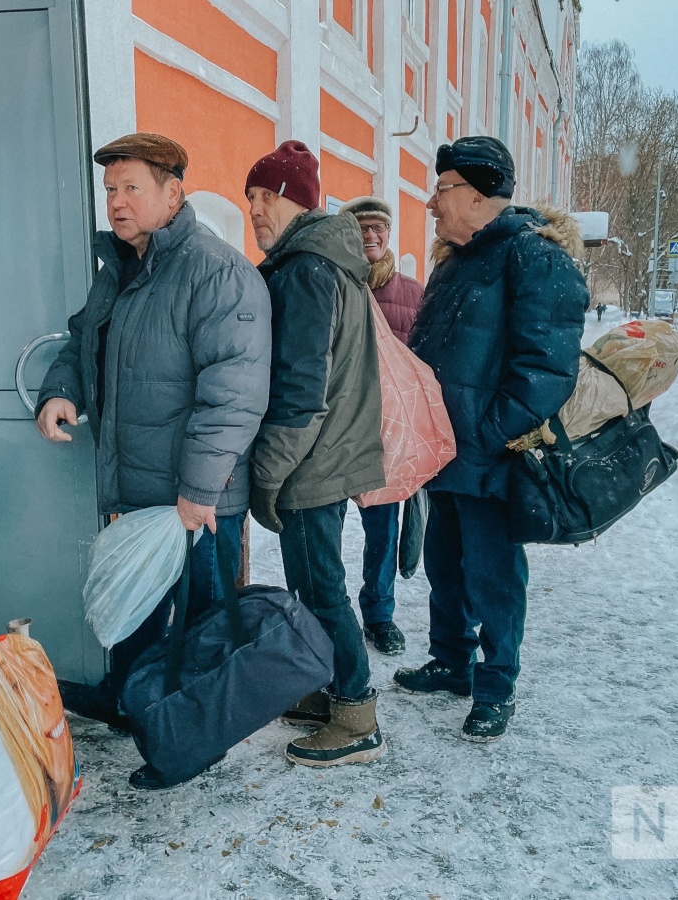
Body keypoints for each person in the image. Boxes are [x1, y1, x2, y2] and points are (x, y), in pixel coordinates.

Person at [35, 132, 271, 789]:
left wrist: (200, 489)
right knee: (134, 610)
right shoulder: (123, 269)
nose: (115, 201)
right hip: (139, 491)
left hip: (198, 501)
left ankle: (192, 743)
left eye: (131, 188)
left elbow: (235, 392)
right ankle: (124, 700)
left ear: (173, 194)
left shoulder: (216, 271)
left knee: (196, 632)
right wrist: (61, 390)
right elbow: (85, 340)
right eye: (110, 190)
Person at [394, 136, 588, 742]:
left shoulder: (536, 257)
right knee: (445, 564)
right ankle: (453, 660)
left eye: (442, 189)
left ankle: (496, 682)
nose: (432, 203)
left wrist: (489, 432)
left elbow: (548, 367)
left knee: (493, 574)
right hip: (446, 450)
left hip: (492, 453)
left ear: (478, 195)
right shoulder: (457, 259)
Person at [244, 141, 387, 767]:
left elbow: (301, 392)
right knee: (310, 584)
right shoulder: (326, 263)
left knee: (322, 588)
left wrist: (268, 476)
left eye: (263, 198)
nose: (253, 211)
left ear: (295, 200)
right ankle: (328, 688)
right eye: (249, 199)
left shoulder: (306, 269)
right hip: (331, 452)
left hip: (314, 458)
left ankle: (356, 714)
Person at [335, 196, 425, 657]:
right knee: (324, 528)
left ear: (389, 234)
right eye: (362, 227)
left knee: (383, 532)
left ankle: (379, 614)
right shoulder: (333, 281)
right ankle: (326, 612)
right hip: (334, 430)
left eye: (378, 228)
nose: (371, 235)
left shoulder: (412, 294)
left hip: (387, 433)